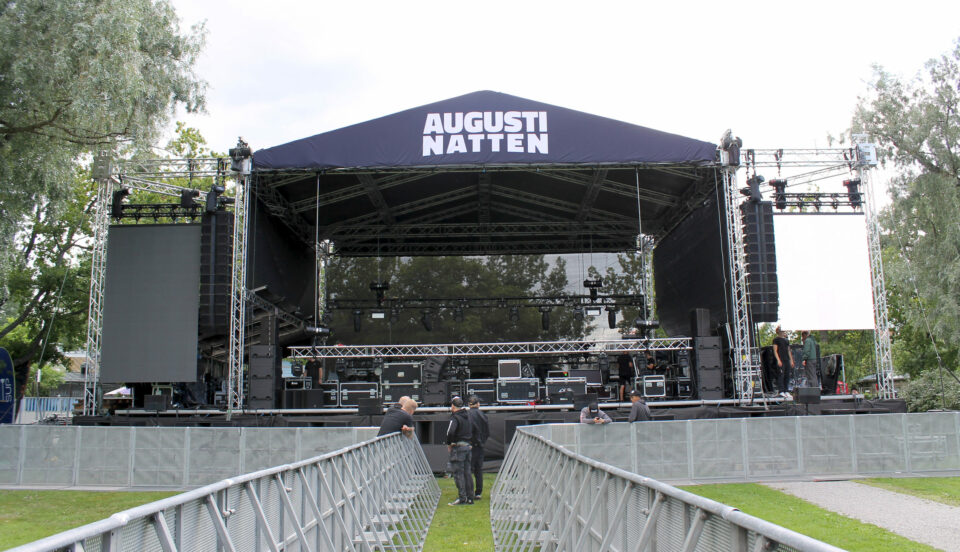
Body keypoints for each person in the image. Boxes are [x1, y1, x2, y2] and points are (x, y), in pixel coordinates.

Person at [445, 397, 474, 505]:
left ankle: (462, 498)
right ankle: (470, 497)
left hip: (459, 448)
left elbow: (450, 432)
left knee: (458, 473)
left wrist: (449, 443)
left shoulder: (455, 417)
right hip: (468, 447)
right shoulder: (468, 416)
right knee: (467, 473)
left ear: (453, 406)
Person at [466, 395, 489, 500]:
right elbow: (487, 432)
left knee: (468, 469)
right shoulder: (483, 415)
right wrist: (482, 442)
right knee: (478, 469)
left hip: (471, 445)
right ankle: (478, 492)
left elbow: (468, 430)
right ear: (478, 404)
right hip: (480, 446)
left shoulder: (467, 415)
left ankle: (469, 492)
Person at [772, 327, 793, 395]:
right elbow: (775, 351)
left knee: (787, 374)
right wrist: (778, 360)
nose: (783, 331)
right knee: (781, 374)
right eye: (782, 330)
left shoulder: (786, 340)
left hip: (786, 359)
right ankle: (781, 390)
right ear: (778, 331)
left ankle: (786, 390)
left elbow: (789, 350)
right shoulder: (776, 340)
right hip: (781, 359)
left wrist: (791, 360)